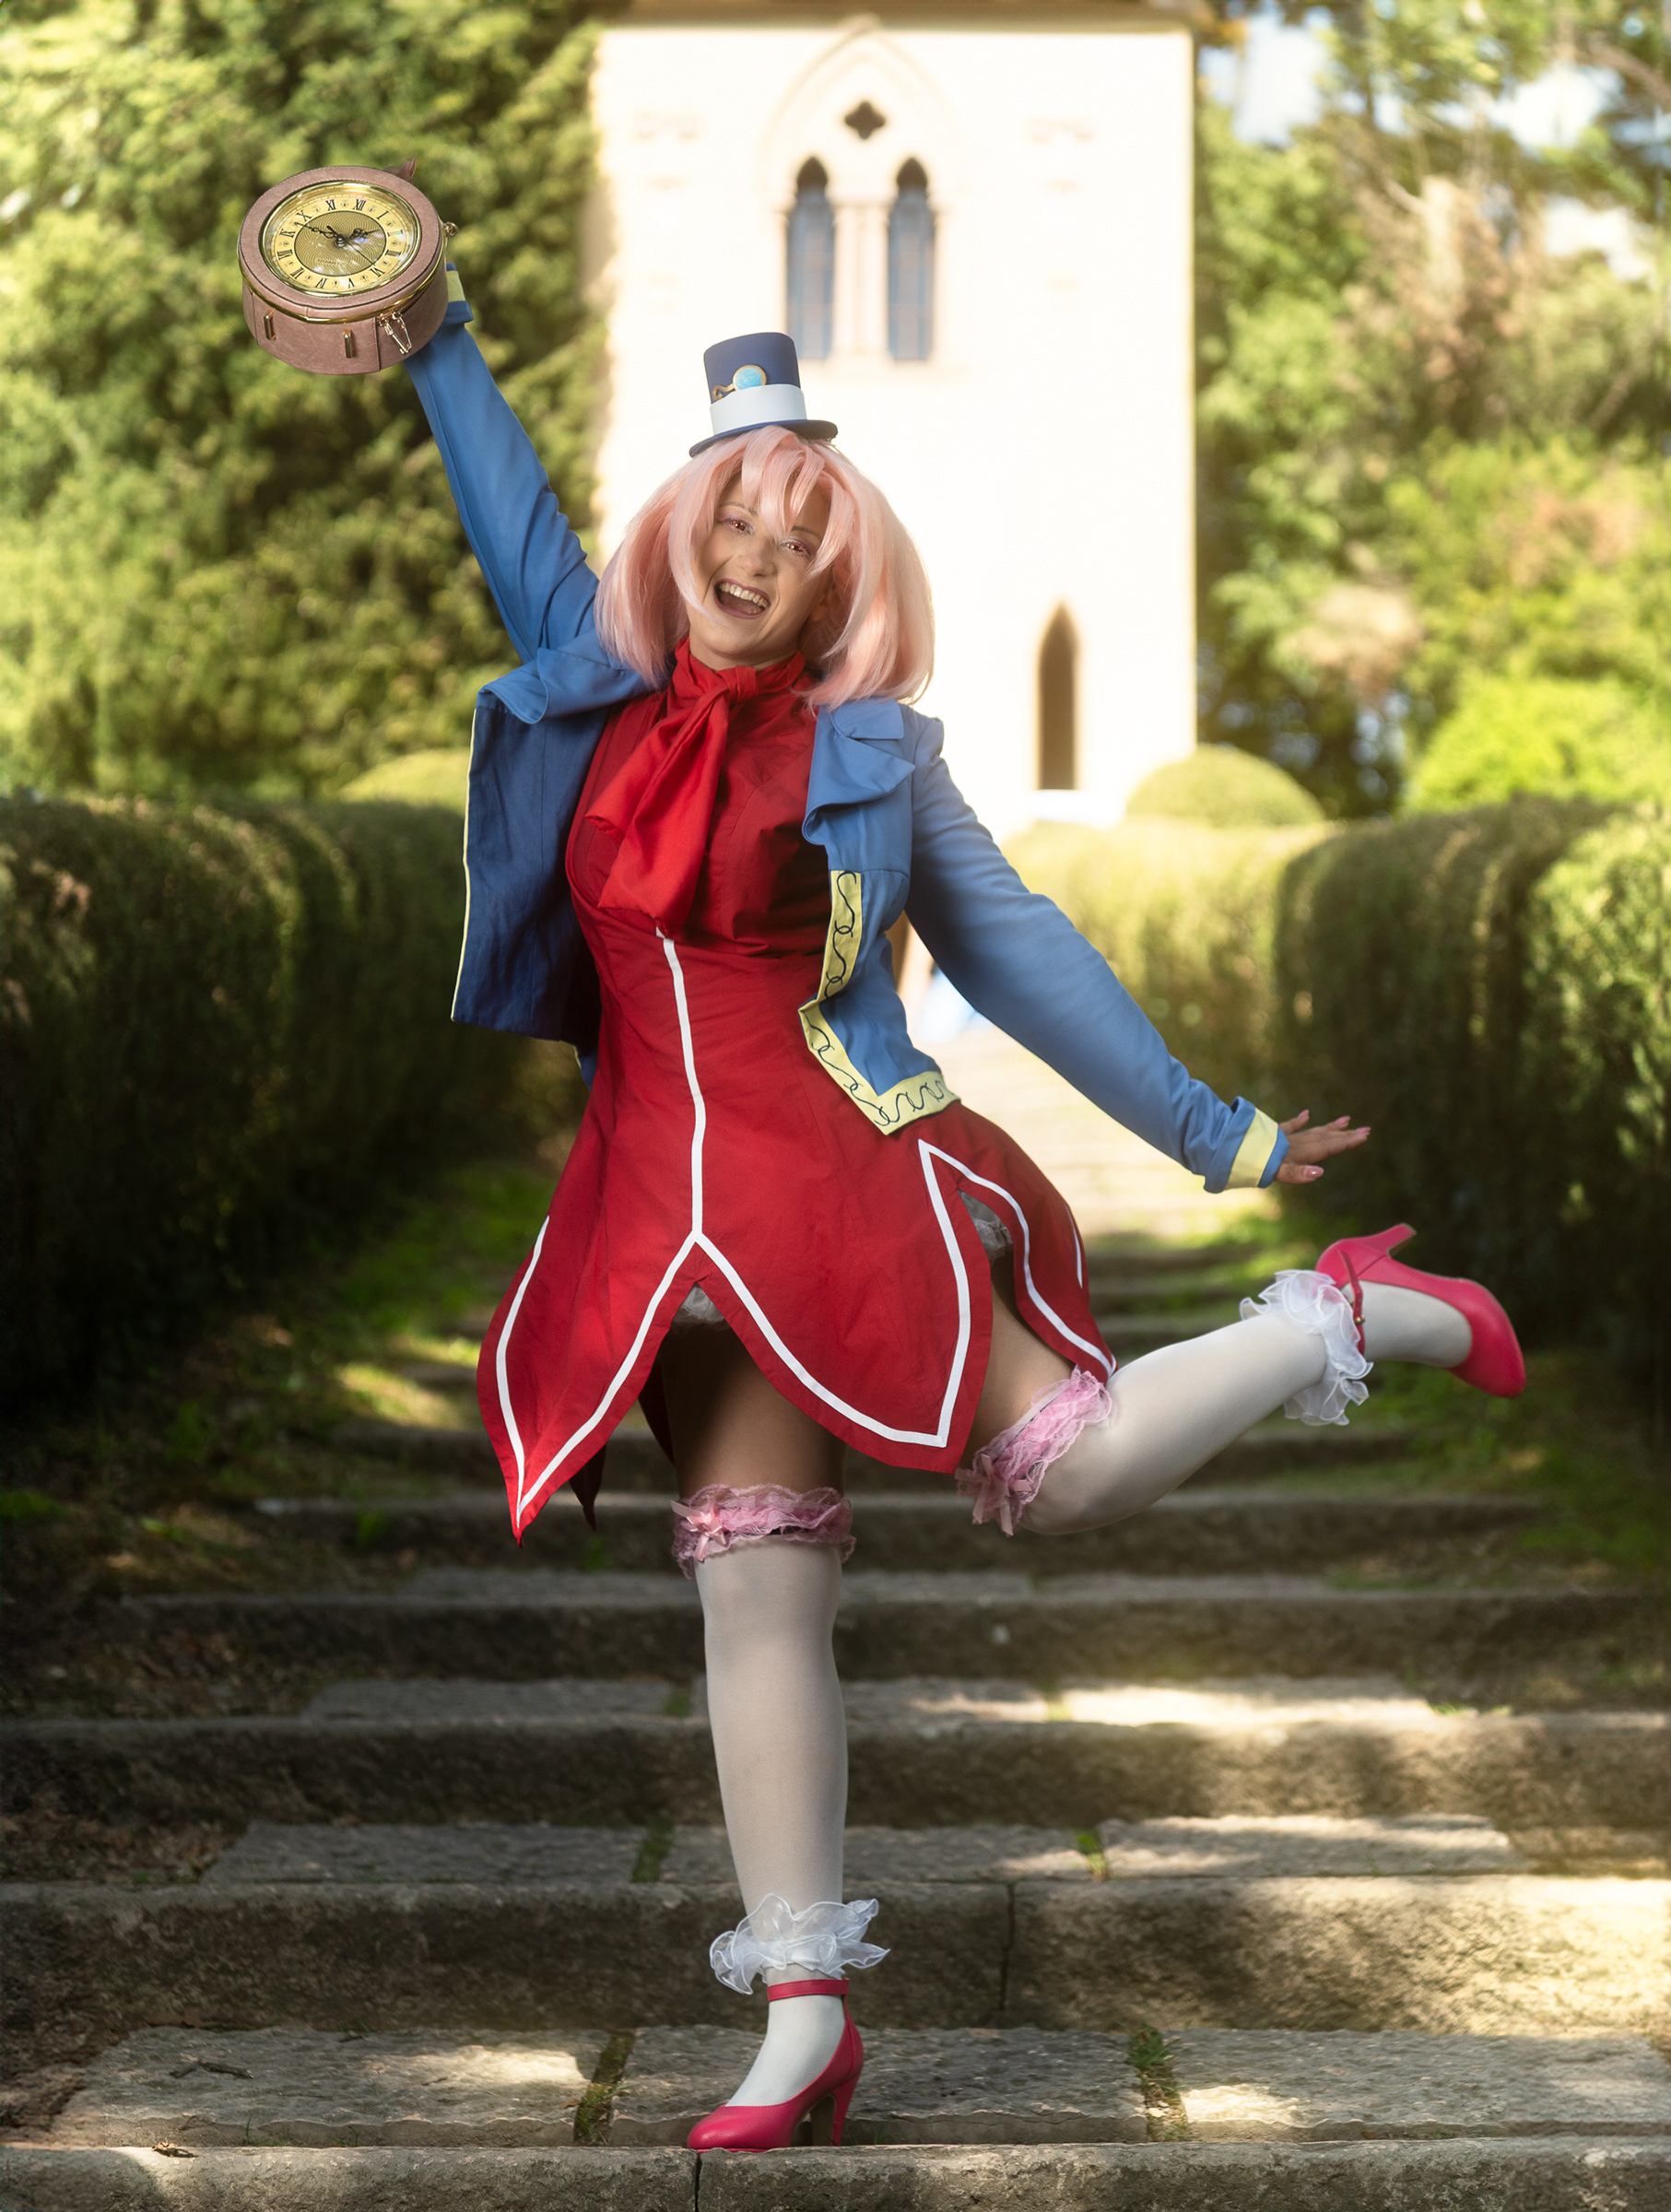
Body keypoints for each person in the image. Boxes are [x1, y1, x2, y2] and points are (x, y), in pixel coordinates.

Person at [403, 278, 1525, 2153]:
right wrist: (432, 330)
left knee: (1065, 1479)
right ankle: (804, 2022)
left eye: (796, 537)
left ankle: (1335, 1314)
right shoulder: (592, 690)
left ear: (838, 581)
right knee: (755, 1582)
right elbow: (506, 504)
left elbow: (1024, 958)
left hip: (839, 1178)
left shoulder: (877, 760)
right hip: (661, 1223)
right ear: (677, 533)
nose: (753, 554)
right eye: (729, 517)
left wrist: (1221, 1135)